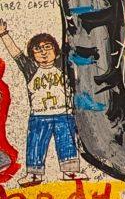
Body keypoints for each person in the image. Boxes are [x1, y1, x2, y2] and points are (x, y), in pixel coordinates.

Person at [0, 20, 84, 186]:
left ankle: (71, 171)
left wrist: (70, 24)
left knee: (67, 142)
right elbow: (16, 54)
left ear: (55, 50)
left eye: (47, 47)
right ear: (32, 55)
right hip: (39, 116)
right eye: (37, 49)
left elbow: (69, 44)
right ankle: (34, 174)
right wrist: (3, 34)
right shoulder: (31, 69)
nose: (43, 52)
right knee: (36, 144)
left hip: (63, 114)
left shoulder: (62, 64)